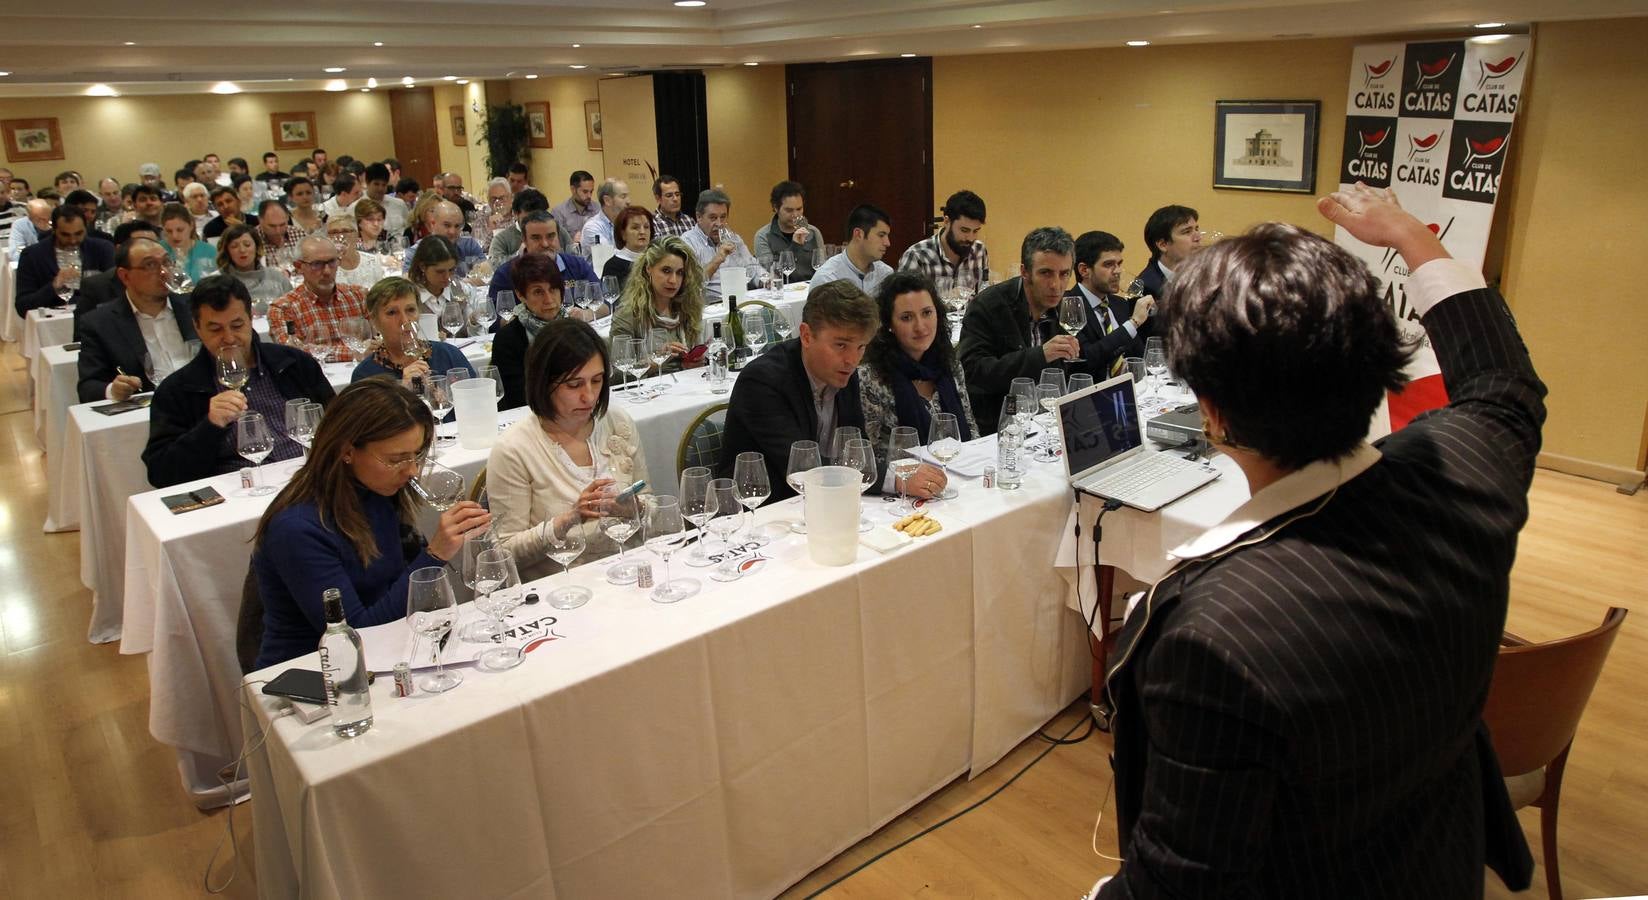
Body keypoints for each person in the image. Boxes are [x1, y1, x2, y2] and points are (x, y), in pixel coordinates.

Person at [1089, 184, 1541, 899]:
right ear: (1376, 363)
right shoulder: (1472, 474)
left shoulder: (1215, 636)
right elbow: (1503, 380)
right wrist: (1408, 235)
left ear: (1211, 413)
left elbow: (1183, 884)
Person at [250, 378, 491, 669]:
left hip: (389, 652)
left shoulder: (375, 492)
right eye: (396, 459)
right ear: (347, 450)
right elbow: (357, 634)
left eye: (417, 456)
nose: (412, 471)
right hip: (314, 671)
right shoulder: (297, 529)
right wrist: (435, 555)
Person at [488, 318, 648, 580]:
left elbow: (650, 501)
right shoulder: (513, 449)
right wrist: (569, 520)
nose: (589, 396)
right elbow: (504, 553)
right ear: (543, 382)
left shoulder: (617, 423)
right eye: (574, 385)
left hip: (628, 572)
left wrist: (634, 508)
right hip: (560, 588)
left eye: (597, 381)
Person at [144, 275, 335, 488]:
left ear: (251, 319)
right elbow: (161, 474)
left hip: (311, 480)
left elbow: (340, 422)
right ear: (197, 328)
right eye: (215, 329)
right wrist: (209, 426)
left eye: (237, 325)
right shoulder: (178, 390)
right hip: (240, 493)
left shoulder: (294, 364)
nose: (228, 338)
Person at [719, 280, 893, 502]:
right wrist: (891, 478)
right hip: (762, 513)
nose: (852, 360)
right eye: (841, 345)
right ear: (806, 336)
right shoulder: (762, 381)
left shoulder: (843, 373)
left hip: (825, 502)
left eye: (860, 347)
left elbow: (857, 453)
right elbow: (802, 468)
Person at [956, 227, 1080, 433]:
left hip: (1048, 421)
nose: (1056, 285)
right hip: (998, 425)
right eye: (1046, 273)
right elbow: (974, 372)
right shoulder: (989, 306)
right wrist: (1040, 355)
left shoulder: (1064, 307)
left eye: (1064, 274)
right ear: (1024, 271)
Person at [858, 271, 976, 487]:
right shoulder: (871, 377)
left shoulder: (949, 365)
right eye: (906, 317)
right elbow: (870, 456)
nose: (920, 326)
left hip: (960, 479)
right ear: (889, 324)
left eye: (927, 313)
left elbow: (970, 429)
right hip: (902, 489)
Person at [77, 237, 196, 402]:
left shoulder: (194, 306)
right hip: (150, 409)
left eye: (167, 262)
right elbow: (88, 387)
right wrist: (113, 389)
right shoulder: (100, 323)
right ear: (125, 276)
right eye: (150, 265)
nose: (163, 272)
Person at [610, 236, 708, 375]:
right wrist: (654, 362)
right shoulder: (629, 313)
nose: (673, 280)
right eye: (666, 271)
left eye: (679, 273)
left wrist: (692, 363)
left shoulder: (688, 307)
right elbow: (615, 374)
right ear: (648, 269)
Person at [352, 277, 474, 386]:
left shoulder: (448, 355)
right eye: (392, 313)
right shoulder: (365, 375)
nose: (404, 320)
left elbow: (477, 400)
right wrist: (403, 391)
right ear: (374, 321)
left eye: (410, 310)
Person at [1065, 230, 1154, 379]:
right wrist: (1133, 323)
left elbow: (1139, 359)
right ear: (1084, 270)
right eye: (1108, 265)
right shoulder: (1068, 305)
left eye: (1119, 264)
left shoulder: (1119, 304)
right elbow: (1087, 358)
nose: (1118, 271)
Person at [268, 234, 369, 357]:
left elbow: (380, 338)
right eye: (317, 264)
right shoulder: (283, 308)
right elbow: (293, 353)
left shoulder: (358, 296)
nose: (327, 271)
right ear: (299, 267)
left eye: (332, 262)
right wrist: (357, 353)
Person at [490, 252, 567, 410]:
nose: (549, 300)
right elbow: (517, 396)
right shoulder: (507, 339)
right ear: (520, 295)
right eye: (538, 292)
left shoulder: (576, 331)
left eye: (553, 289)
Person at [15, 204, 115, 316]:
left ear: (86, 228)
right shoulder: (32, 255)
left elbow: (116, 291)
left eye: (78, 234)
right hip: (53, 322)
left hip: (96, 317)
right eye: (65, 235)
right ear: (54, 230)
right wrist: (53, 287)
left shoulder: (102, 249)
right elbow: (22, 307)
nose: (73, 240)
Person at [486, 211, 598, 303]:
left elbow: (603, 301)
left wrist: (585, 314)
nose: (545, 244)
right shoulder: (505, 274)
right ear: (524, 240)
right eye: (536, 238)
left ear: (558, 237)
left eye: (550, 236)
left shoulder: (577, 265)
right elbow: (494, 320)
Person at [74, 220, 161, 336]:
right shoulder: (97, 287)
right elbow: (82, 337)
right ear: (120, 250)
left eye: (155, 244)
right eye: (143, 246)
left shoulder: (167, 283)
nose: (152, 252)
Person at [897, 189, 990, 296]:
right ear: (946, 222)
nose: (970, 238)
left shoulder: (979, 250)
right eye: (964, 230)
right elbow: (905, 303)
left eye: (975, 231)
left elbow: (983, 294)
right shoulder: (918, 255)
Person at [681, 188, 767, 302]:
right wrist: (717, 260)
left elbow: (752, 267)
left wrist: (767, 279)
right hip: (708, 306)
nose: (719, 223)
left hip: (740, 300)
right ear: (699, 217)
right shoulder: (688, 242)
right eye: (713, 218)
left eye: (723, 217)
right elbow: (690, 285)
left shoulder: (734, 239)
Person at [809, 204, 894, 295]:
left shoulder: (885, 274)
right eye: (881, 235)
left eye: (887, 236)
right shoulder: (827, 279)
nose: (887, 243)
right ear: (858, 234)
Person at [754, 180, 820, 282]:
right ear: (776, 208)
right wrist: (795, 247)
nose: (795, 215)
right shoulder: (763, 236)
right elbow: (770, 276)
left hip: (810, 290)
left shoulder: (813, 232)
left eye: (799, 209)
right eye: (789, 210)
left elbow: (823, 267)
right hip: (781, 290)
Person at [1134, 203, 1200, 301]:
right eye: (1187, 232)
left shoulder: (1201, 276)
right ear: (1163, 245)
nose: (1198, 237)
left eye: (1196, 229)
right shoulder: (1144, 288)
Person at [215, 223, 290, 309]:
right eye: (234, 246)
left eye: (247, 244)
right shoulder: (217, 283)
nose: (242, 250)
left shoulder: (277, 278)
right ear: (227, 251)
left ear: (257, 247)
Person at [407, 199, 486, 275]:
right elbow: (409, 283)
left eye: (457, 226)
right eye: (447, 225)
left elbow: (487, 275)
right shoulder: (416, 252)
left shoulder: (469, 245)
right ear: (433, 224)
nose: (452, 231)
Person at [487, 188, 549, 264]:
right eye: (529, 218)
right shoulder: (501, 240)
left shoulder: (557, 232)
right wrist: (519, 256)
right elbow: (493, 266)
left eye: (539, 217)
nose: (535, 223)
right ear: (515, 214)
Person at [159, 202, 217, 283]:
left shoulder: (209, 251)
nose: (174, 236)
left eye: (180, 230)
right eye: (169, 231)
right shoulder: (158, 251)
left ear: (191, 225)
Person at [408, 234, 463, 316]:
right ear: (422, 267)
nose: (447, 277)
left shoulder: (458, 290)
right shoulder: (410, 297)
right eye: (440, 272)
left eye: (451, 270)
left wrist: (473, 322)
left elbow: (470, 325)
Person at [326, 214, 385, 290]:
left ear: (356, 234)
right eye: (334, 232)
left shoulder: (373, 261)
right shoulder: (325, 267)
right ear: (327, 237)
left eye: (345, 231)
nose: (340, 236)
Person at [602, 205, 654, 284]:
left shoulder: (656, 260)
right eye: (635, 228)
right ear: (623, 234)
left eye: (646, 227)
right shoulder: (613, 266)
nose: (642, 232)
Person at [356, 162, 409, 237]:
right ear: (367, 183)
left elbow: (408, 228)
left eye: (384, 185)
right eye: (376, 184)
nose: (380, 188)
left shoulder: (399, 204)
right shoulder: (356, 208)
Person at [579, 179, 628, 249]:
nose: (629, 201)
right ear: (607, 200)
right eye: (623, 197)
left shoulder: (626, 224)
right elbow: (608, 256)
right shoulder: (592, 227)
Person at [551, 170, 597, 241]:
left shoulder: (597, 209)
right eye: (585, 192)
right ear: (573, 189)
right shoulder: (559, 212)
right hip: (571, 251)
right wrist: (572, 242)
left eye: (591, 191)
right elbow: (556, 243)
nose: (589, 196)